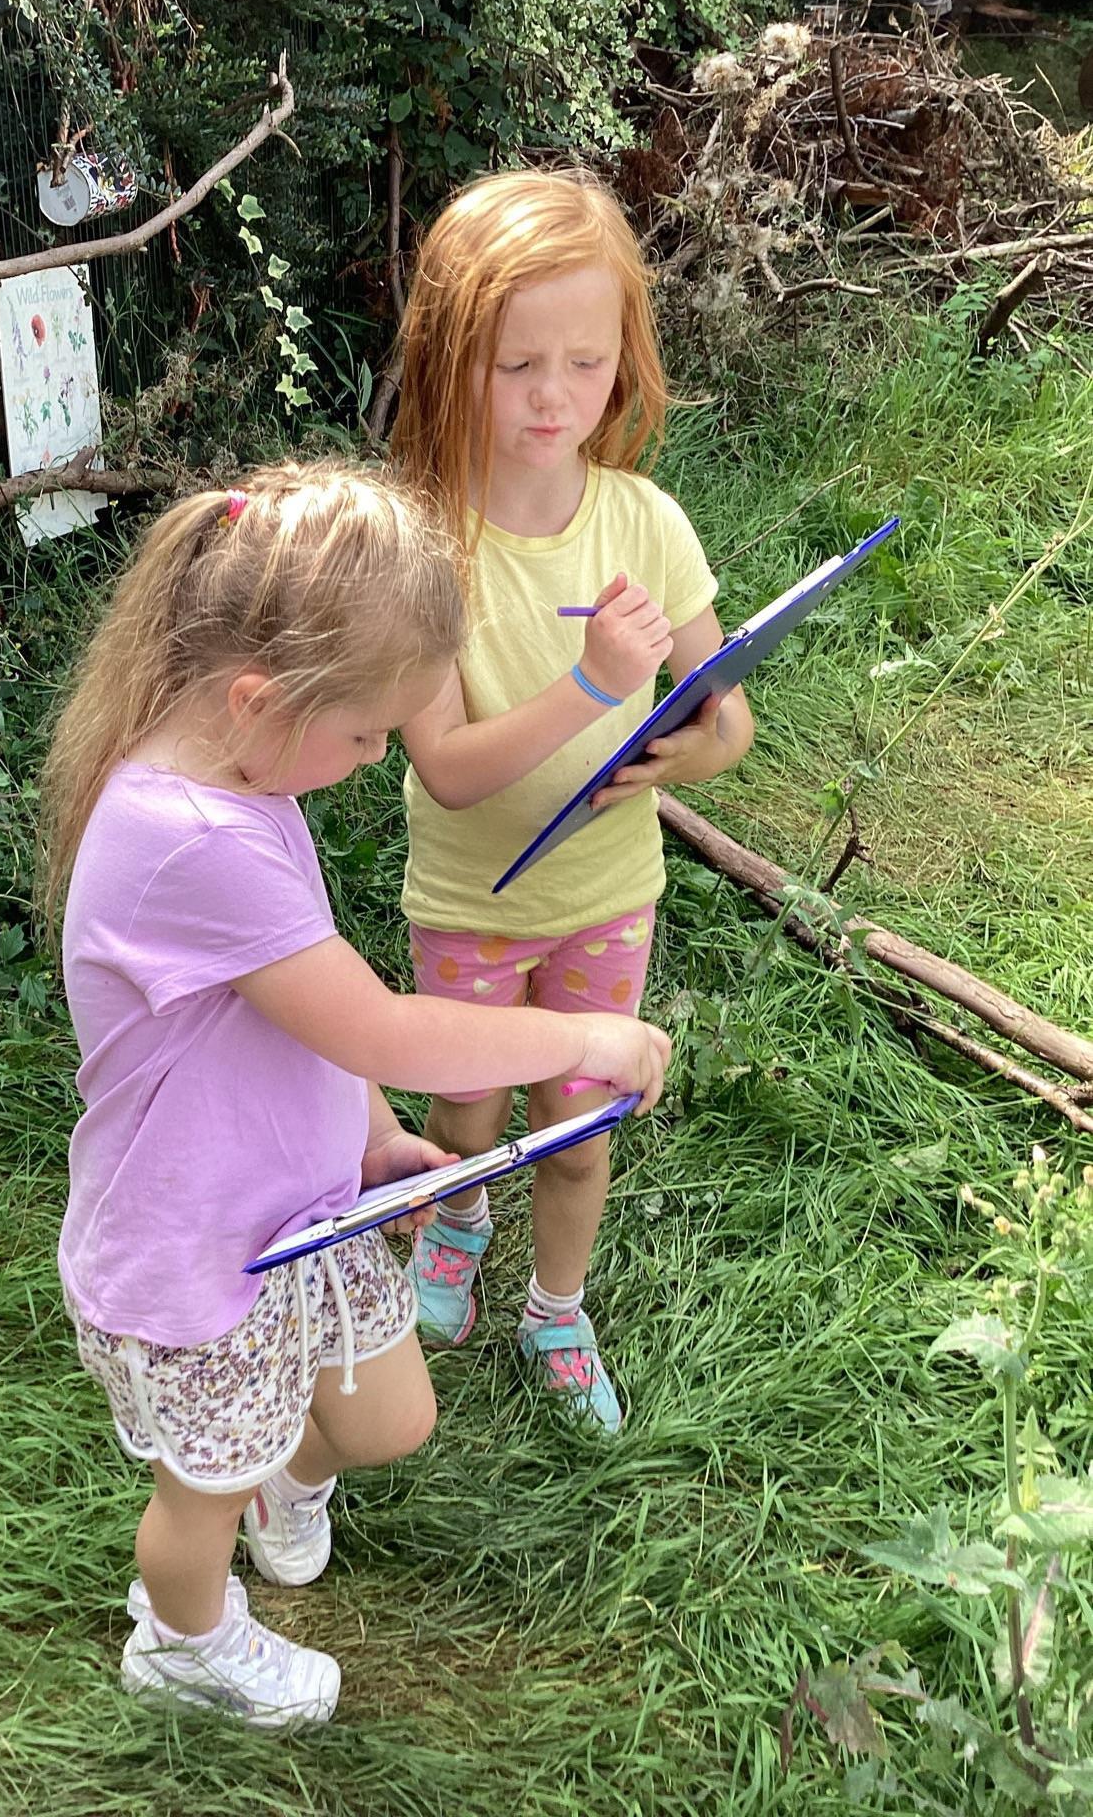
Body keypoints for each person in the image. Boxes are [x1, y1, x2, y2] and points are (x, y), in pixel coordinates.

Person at [39, 463, 672, 1727]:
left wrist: (375, 1131)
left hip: (296, 1209)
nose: (380, 758)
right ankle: (181, 1641)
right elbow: (382, 1021)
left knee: (389, 1416)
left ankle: (273, 1470)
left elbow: (310, 1011)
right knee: (195, 1496)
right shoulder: (194, 838)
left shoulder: (249, 776)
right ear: (261, 697)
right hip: (197, 1250)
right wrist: (582, 1033)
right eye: (370, 733)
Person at [390, 170, 754, 1430]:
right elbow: (447, 765)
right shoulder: (428, 542)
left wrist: (685, 753)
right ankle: (455, 1221)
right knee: (465, 1105)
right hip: (469, 898)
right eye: (517, 365)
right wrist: (592, 685)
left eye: (586, 363)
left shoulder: (644, 523)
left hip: (607, 895)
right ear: (452, 360)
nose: (554, 395)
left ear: (623, 361)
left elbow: (727, 716)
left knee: (578, 1126)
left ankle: (556, 1305)